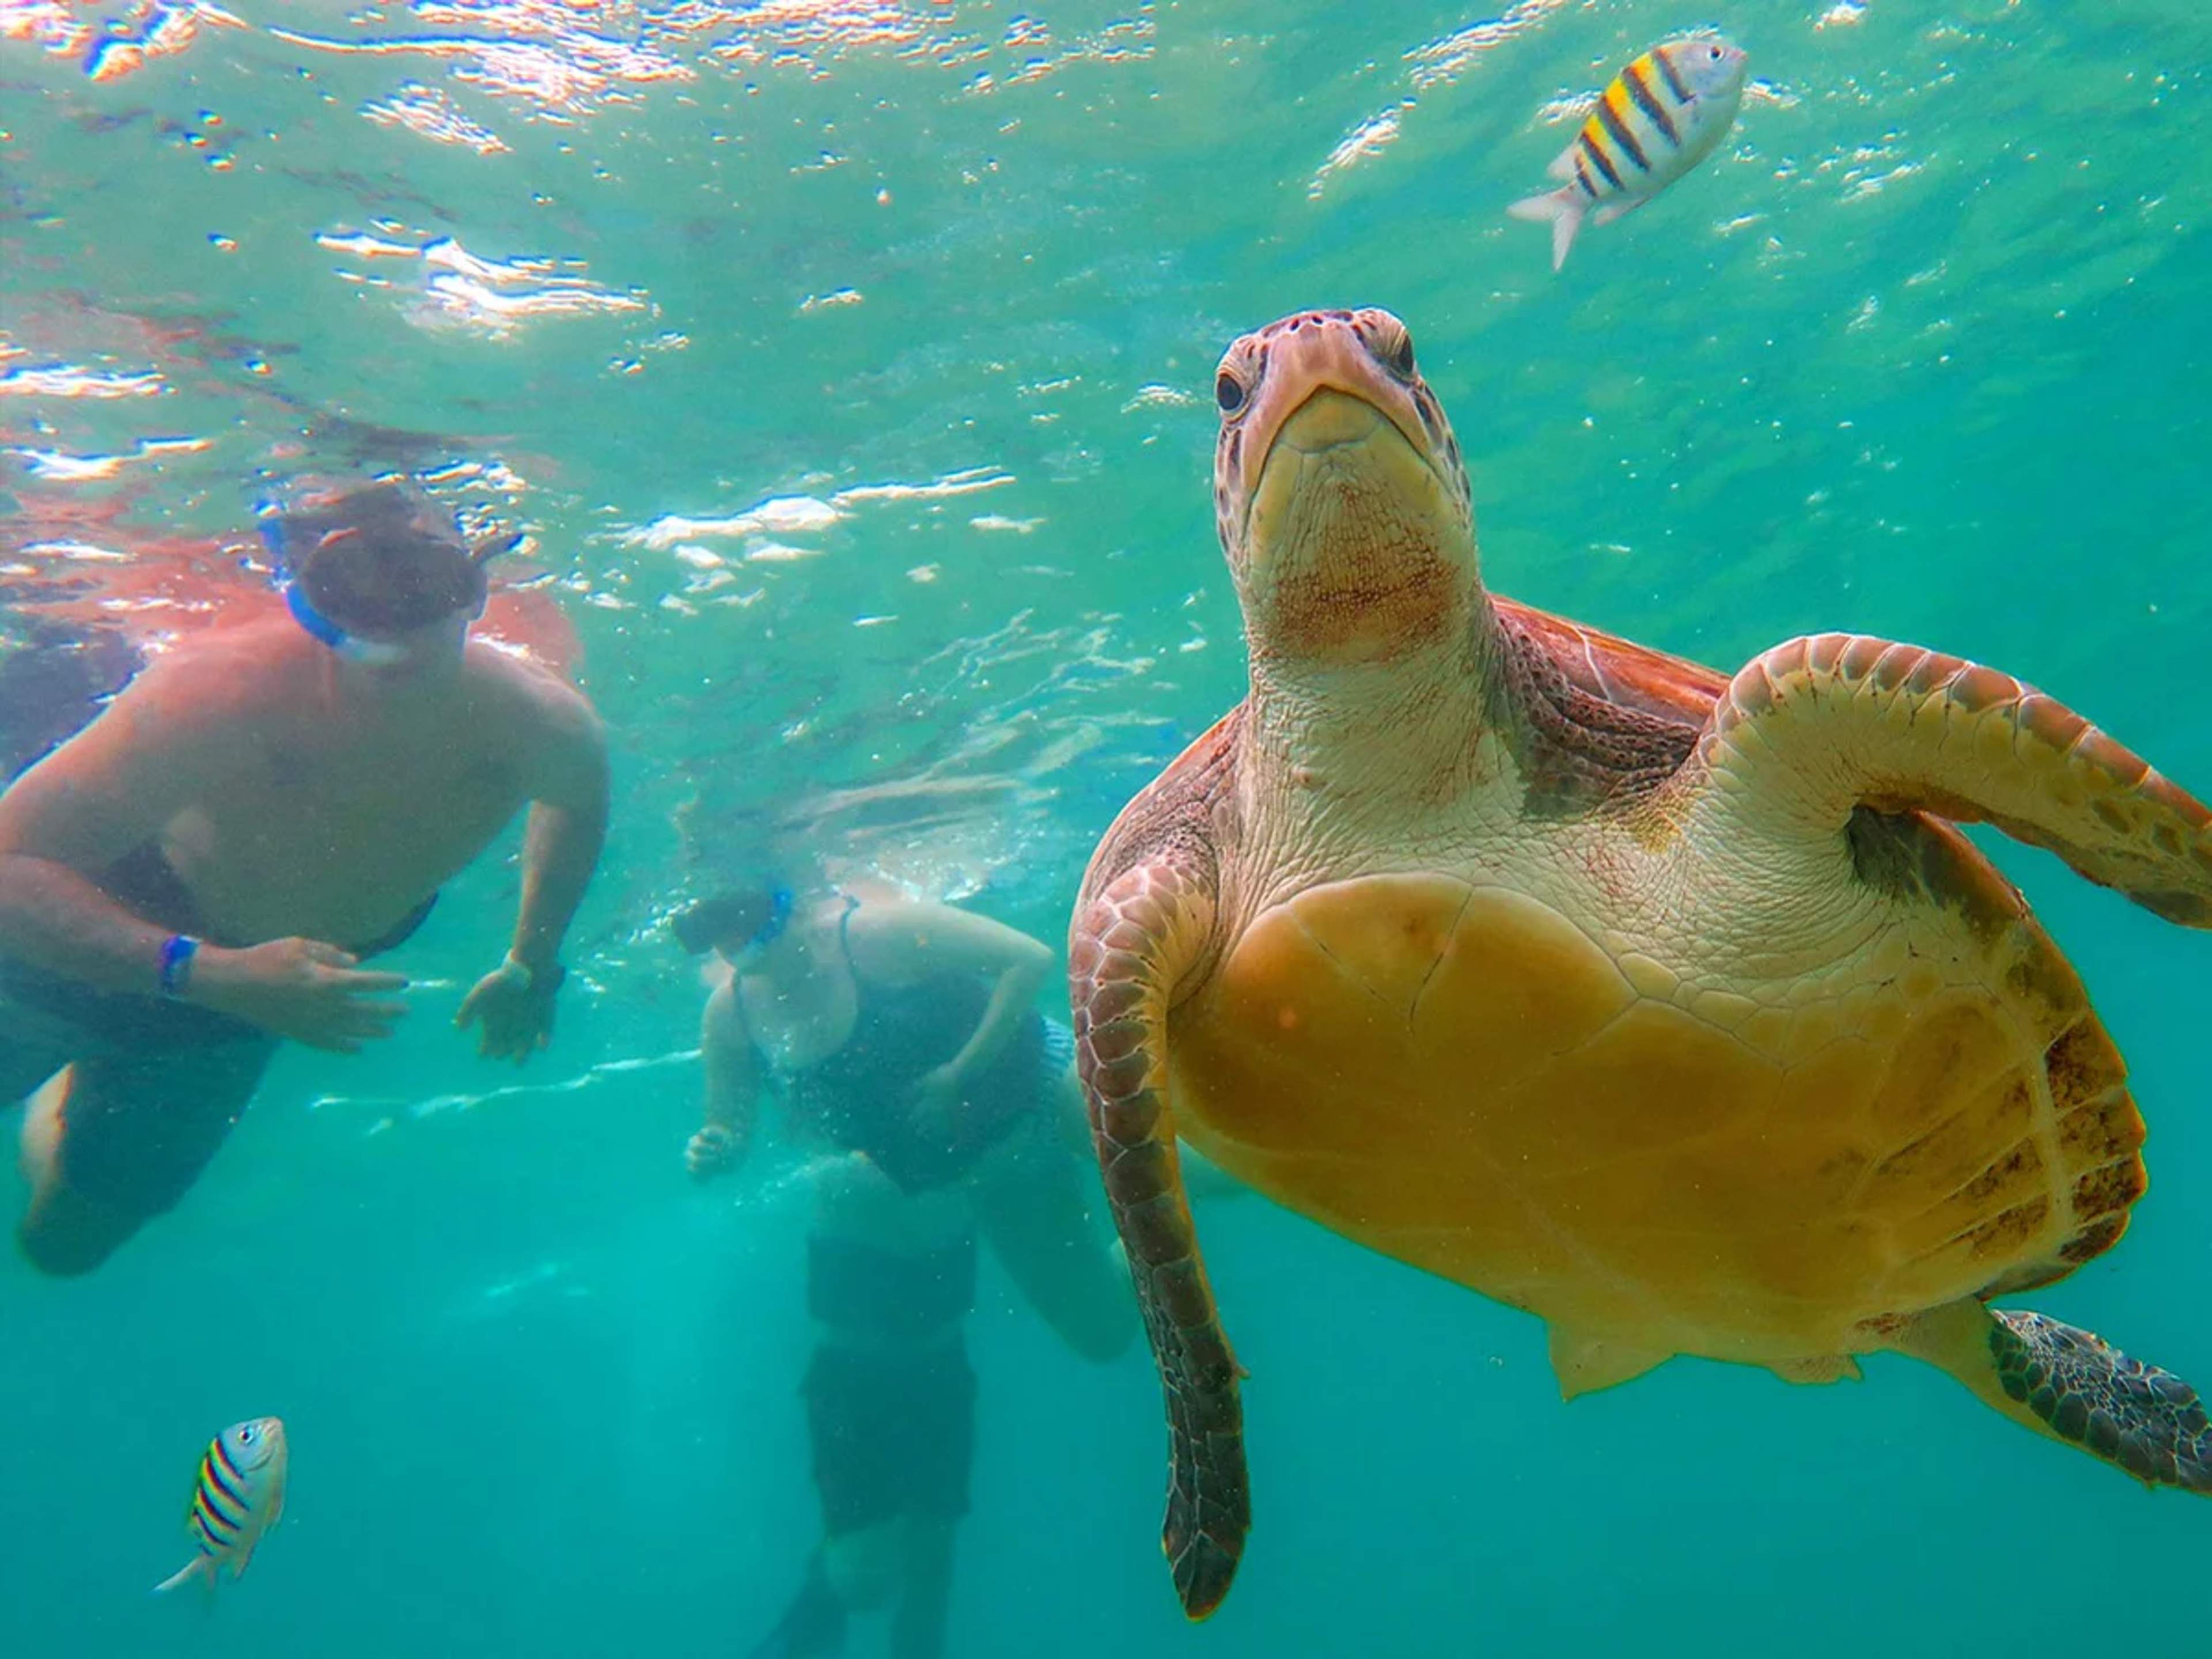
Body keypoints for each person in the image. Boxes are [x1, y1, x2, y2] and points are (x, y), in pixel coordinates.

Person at [0, 479, 609, 1276]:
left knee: (65, 1248)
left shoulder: (544, 723)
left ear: (473, 585)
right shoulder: (218, 688)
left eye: (421, 579)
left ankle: (61, 1106)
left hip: (244, 1009)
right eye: (351, 585)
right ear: (304, 592)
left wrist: (533, 962)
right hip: (77, 954)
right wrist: (206, 972)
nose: (392, 620)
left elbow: (576, 809)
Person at [676, 877, 1137, 1659]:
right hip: (906, 1298)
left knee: (1189, 1179)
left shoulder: (874, 938)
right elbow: (729, 1117)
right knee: (876, 1573)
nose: (727, 951)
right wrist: (715, 1145)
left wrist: (960, 1075)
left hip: (1014, 1126)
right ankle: (853, 1598)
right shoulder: (740, 1020)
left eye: (734, 921)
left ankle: (1195, 1195)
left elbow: (1022, 963)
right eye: (705, 936)